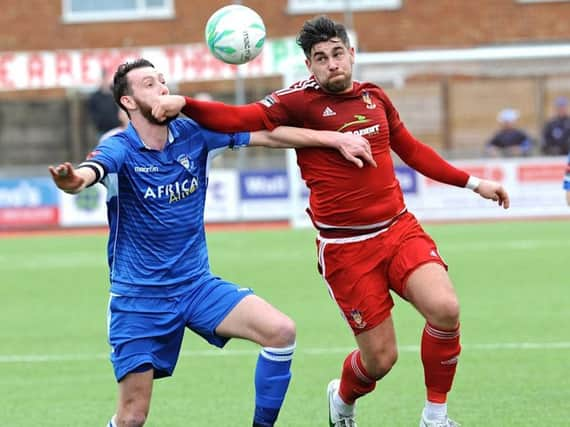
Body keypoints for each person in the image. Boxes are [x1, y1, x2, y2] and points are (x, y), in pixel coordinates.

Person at [150, 16, 511, 427]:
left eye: (337, 53)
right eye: (320, 58)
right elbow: (239, 118)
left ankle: (435, 415)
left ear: (351, 54)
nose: (331, 63)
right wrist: (187, 104)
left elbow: (411, 150)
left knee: (445, 308)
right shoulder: (297, 103)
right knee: (380, 360)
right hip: (346, 249)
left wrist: (474, 183)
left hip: (398, 229)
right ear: (310, 66)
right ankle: (342, 399)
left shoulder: (375, 98)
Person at [48, 58, 376, 427]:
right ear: (128, 102)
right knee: (132, 417)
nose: (161, 88)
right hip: (139, 299)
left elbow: (268, 134)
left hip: (196, 287)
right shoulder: (120, 148)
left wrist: (334, 138)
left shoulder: (195, 133)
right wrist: (72, 179)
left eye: (162, 81)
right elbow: (88, 174)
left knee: (280, 332)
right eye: (149, 84)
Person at [87, 68, 121, 137]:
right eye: (103, 79)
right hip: (102, 130)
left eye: (106, 78)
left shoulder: (115, 94)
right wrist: (99, 122)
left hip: (116, 129)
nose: (105, 81)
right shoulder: (95, 97)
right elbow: (92, 112)